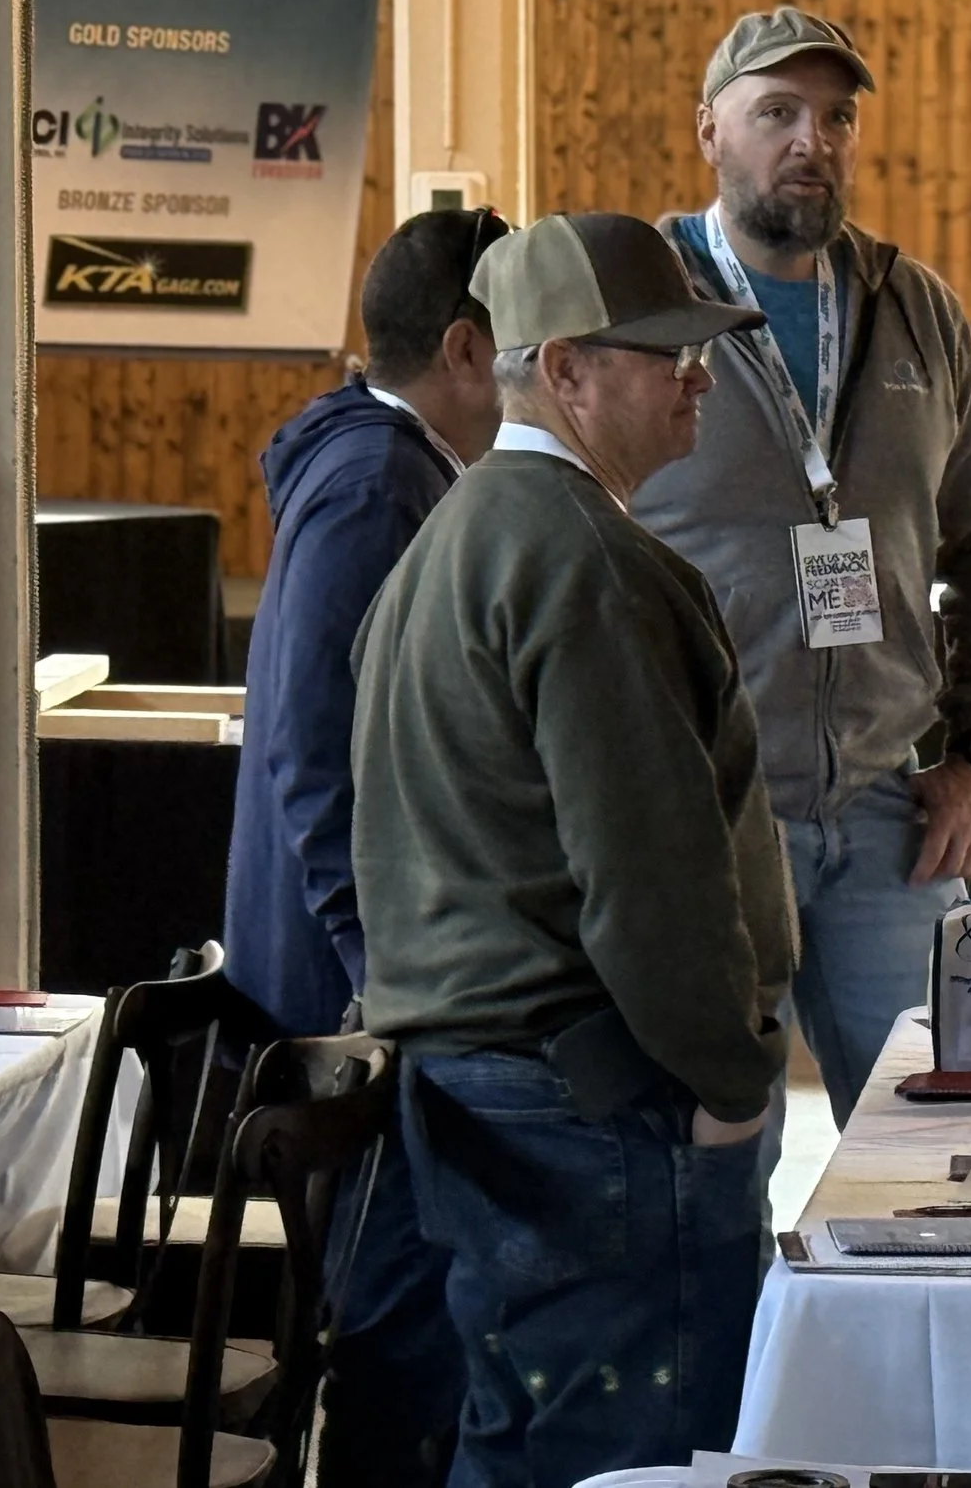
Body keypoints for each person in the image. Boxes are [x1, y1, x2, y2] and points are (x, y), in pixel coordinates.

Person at [351, 211, 796, 1488]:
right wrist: (730, 1082)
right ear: (564, 370)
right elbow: (650, 887)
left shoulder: (452, 542)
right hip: (592, 1111)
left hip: (488, 1098)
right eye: (662, 352)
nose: (697, 376)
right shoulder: (589, 562)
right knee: (638, 1459)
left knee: (531, 1445)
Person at [634, 5, 971, 1126]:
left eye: (835, 116)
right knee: (719, 1157)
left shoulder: (915, 311)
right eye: (776, 113)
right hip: (709, 812)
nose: (810, 140)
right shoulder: (638, 307)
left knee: (943, 1136)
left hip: (887, 813)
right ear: (710, 132)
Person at [221, 204, 508, 1486]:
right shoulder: (375, 483)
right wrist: (384, 976)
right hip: (367, 1005)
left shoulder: (390, 473)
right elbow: (309, 751)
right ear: (464, 348)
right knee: (395, 1342)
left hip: (371, 984)